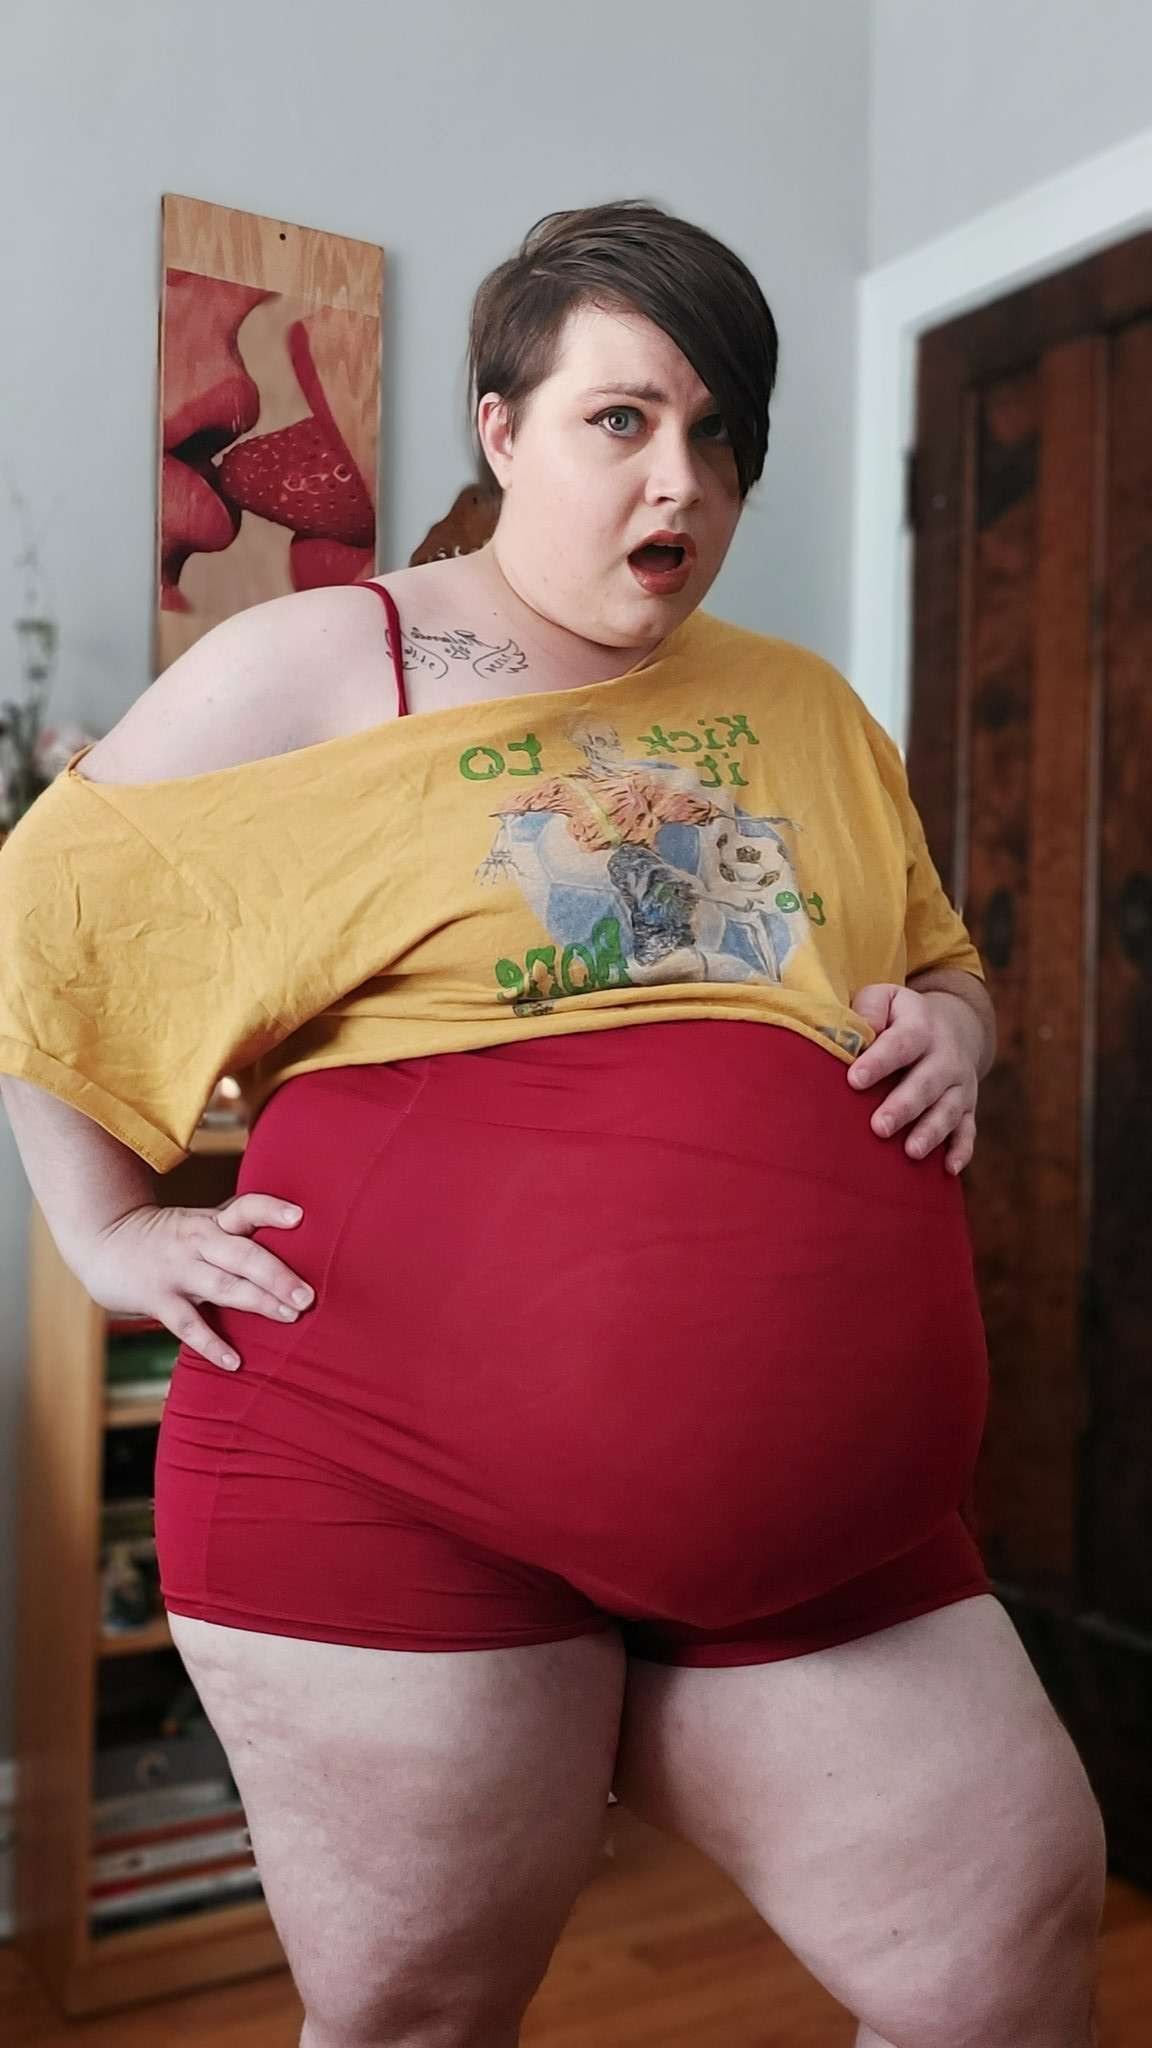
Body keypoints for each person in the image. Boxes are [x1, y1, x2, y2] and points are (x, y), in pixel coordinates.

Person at [0, 201, 1104, 2048]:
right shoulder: (332, 666)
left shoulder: (806, 706)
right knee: (421, 2015)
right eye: (624, 420)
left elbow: (932, 959)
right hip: (384, 1494)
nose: (683, 479)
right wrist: (103, 1231)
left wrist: (964, 1037)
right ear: (503, 432)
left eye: (721, 434)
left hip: (833, 1517)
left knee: (1007, 1944)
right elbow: (46, 917)